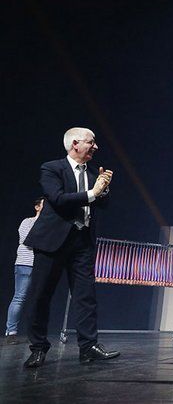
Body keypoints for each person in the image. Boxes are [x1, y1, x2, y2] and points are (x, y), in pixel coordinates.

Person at [23, 127, 118, 368]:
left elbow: (100, 203)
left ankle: (88, 347)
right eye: (91, 142)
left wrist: (103, 190)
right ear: (75, 144)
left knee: (86, 296)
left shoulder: (93, 174)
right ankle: (38, 348)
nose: (95, 147)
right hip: (53, 241)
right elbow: (58, 199)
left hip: (82, 241)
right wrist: (92, 193)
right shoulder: (52, 168)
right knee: (41, 295)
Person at [4, 197, 44, 344]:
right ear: (37, 207)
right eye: (44, 205)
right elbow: (28, 240)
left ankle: (34, 333)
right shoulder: (28, 221)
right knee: (20, 297)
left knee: (38, 300)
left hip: (40, 265)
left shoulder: (48, 224)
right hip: (25, 264)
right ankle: (11, 332)